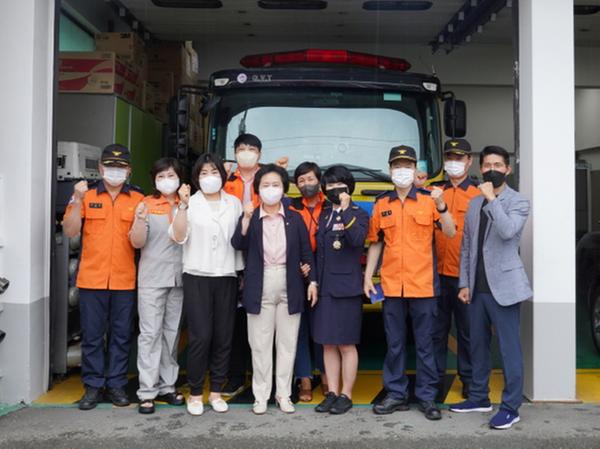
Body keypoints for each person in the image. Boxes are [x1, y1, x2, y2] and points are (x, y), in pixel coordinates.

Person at [364, 145, 456, 420]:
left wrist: (442, 205)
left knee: (425, 344)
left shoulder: (429, 200)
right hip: (392, 285)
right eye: (397, 166)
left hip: (424, 285)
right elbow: (376, 242)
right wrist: (368, 276)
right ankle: (396, 394)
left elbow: (450, 232)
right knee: (394, 343)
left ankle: (427, 397)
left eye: (407, 165)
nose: (402, 170)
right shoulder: (382, 203)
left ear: (416, 170)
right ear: (390, 170)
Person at [449, 145, 532, 430]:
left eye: (497, 165)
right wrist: (464, 283)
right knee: (477, 346)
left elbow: (508, 232)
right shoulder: (474, 204)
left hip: (505, 287)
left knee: (508, 350)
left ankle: (511, 407)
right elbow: (467, 246)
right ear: (480, 169)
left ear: (507, 169)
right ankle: (478, 397)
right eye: (487, 165)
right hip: (476, 288)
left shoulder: (518, 201)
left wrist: (491, 199)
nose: (492, 169)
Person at [62, 144, 144, 411]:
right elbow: (70, 230)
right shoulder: (85, 195)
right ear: (100, 168)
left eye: (120, 167)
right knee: (93, 335)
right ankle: (93, 386)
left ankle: (117, 384)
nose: (115, 171)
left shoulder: (137, 199)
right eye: (110, 166)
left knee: (121, 335)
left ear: (129, 171)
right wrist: (76, 200)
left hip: (124, 280)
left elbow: (141, 241)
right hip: (91, 280)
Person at [231, 164, 318, 415]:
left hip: (290, 282)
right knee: (260, 344)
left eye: (276, 185)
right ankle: (261, 395)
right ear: (258, 189)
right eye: (266, 185)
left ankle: (284, 394)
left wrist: (312, 281)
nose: (271, 189)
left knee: (287, 344)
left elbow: (306, 252)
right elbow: (237, 243)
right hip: (260, 282)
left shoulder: (294, 218)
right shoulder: (251, 217)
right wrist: (246, 218)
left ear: (284, 189)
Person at [170, 153, 244, 416]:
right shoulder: (190, 203)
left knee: (224, 336)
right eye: (203, 173)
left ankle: (215, 392)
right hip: (197, 274)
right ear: (196, 177)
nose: (209, 177)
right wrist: (182, 206)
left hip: (226, 274)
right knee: (201, 336)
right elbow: (178, 236)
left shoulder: (234, 203)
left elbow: (241, 238)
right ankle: (195, 392)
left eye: (214, 172)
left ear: (223, 176)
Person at [311, 166, 369, 415]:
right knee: (327, 344)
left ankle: (346, 394)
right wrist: (314, 282)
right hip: (325, 288)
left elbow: (357, 240)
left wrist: (345, 210)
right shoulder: (324, 214)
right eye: (330, 185)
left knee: (346, 344)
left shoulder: (358, 213)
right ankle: (332, 392)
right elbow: (318, 253)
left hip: (346, 289)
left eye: (339, 184)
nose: (334, 189)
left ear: (349, 187)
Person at [129, 158, 185, 414]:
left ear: (180, 178)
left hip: (179, 278)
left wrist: (184, 206)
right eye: (161, 176)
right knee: (150, 334)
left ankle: (168, 385)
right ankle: (147, 391)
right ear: (154, 179)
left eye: (171, 175)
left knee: (171, 333)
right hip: (152, 279)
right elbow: (137, 242)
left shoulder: (187, 203)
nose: (166, 180)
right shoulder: (147, 204)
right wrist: (140, 220)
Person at [431, 139, 480, 399]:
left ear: (469, 161)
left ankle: (469, 379)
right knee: (436, 332)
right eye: (449, 157)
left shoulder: (478, 194)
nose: (454, 162)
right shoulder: (434, 191)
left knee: (468, 332)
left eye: (459, 158)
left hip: (465, 276)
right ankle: (436, 379)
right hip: (436, 275)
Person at [290, 162, 327, 401]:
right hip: (297, 271)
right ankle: (304, 378)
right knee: (299, 328)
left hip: (325, 271)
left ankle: (325, 374)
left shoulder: (331, 205)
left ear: (319, 180)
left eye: (310, 179)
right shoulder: (291, 207)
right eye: (301, 180)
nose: (306, 184)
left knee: (322, 327)